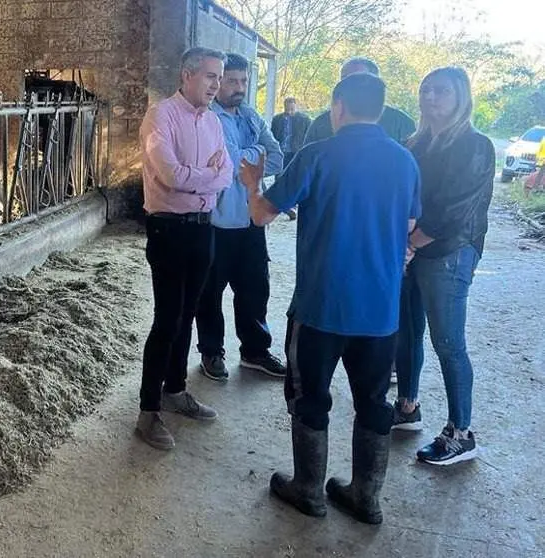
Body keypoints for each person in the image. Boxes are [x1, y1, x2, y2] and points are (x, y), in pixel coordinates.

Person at [246, 73, 421, 524]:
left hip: (321, 306)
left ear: (337, 107)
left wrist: (250, 182)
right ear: (380, 109)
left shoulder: (317, 154)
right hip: (381, 311)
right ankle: (366, 496)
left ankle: (308, 489)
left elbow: (262, 214)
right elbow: (407, 228)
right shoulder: (404, 161)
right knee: (375, 400)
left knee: (309, 397)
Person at [391, 67, 496, 466]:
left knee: (447, 341)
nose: (430, 97)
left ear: (461, 98)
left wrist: (411, 246)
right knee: (407, 332)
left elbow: (454, 209)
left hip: (449, 252)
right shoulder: (415, 143)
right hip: (412, 250)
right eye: (426, 89)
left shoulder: (475, 146)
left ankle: (461, 432)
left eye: (442, 91)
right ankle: (407, 407)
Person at [136, 47, 234, 450]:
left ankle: (175, 391)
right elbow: (170, 175)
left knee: (189, 314)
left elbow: (226, 172)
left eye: (220, 77)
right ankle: (147, 412)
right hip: (169, 230)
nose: (218, 85)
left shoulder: (212, 122)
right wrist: (206, 176)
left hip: (202, 229)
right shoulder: (161, 116)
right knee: (167, 320)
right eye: (211, 76)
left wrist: (207, 176)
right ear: (187, 74)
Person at [195, 52, 287, 381]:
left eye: (244, 81)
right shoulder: (209, 119)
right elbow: (230, 166)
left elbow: (277, 157)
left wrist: (247, 160)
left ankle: (254, 351)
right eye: (231, 80)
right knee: (210, 291)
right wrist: (252, 158)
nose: (238, 87)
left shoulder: (250, 115)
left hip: (252, 216)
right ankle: (211, 351)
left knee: (255, 287)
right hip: (218, 220)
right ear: (218, 83)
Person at [303, 57, 416, 146]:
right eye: (345, 79)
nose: (350, 85)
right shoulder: (321, 124)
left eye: (358, 80)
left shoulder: (402, 123)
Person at [271, 97, 311, 168]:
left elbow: (309, 137)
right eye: (287, 109)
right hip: (280, 152)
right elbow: (272, 135)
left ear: (296, 107)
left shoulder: (305, 120)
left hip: (296, 152)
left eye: (292, 109)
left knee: (294, 174)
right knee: (279, 174)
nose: (289, 112)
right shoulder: (276, 119)